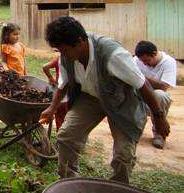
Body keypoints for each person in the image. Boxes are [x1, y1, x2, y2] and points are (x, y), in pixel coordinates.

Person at [40, 16, 170, 184]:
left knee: (124, 153)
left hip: (120, 100)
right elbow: (63, 84)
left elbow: (142, 84)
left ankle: (117, 190)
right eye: (59, 50)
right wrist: (52, 108)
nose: (62, 55)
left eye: (64, 50)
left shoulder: (113, 54)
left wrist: (159, 117)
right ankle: (69, 183)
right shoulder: (66, 56)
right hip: (90, 97)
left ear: (80, 42)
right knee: (66, 136)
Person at [134, 40, 177, 149]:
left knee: (161, 94)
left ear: (154, 54)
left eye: (147, 60)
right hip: (139, 99)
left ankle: (159, 134)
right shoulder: (135, 61)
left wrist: (142, 78)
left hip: (156, 103)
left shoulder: (169, 62)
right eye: (142, 61)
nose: (144, 64)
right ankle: (132, 130)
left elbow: (164, 86)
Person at [42, 55, 68, 131]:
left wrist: (50, 77)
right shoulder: (77, 60)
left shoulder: (60, 58)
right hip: (71, 94)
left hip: (60, 94)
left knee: (60, 118)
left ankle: (60, 135)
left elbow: (45, 67)